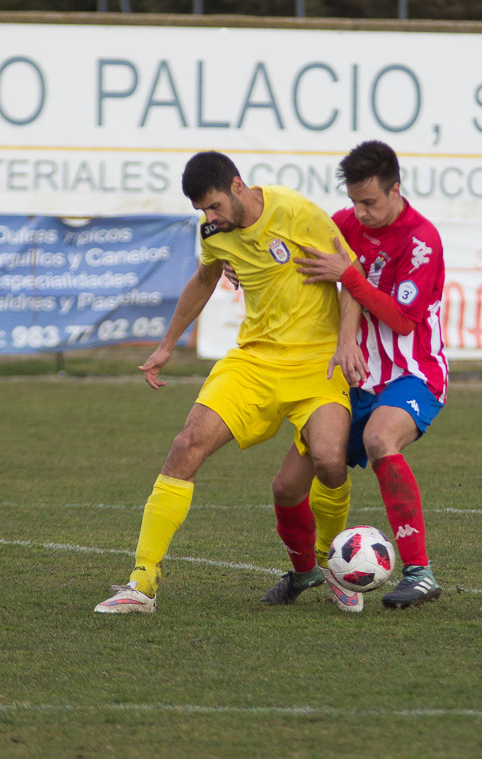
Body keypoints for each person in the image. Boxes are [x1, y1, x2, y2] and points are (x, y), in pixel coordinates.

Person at [95, 151, 362, 614]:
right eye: (202, 211)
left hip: (317, 365)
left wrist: (346, 342)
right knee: (185, 445)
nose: (209, 217)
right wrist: (166, 346)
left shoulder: (296, 213)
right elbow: (204, 279)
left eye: (214, 206)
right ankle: (142, 583)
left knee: (329, 460)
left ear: (238, 186)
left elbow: (350, 275)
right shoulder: (215, 233)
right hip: (254, 362)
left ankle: (330, 563)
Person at [294, 140, 449, 611]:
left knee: (383, 439)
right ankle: (306, 572)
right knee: (289, 481)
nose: (359, 213)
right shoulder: (344, 224)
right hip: (354, 379)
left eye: (370, 202)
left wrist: (351, 276)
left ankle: (419, 572)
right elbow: (294, 252)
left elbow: (403, 319)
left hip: (412, 373)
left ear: (395, 189)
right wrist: (238, 267)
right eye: (354, 201)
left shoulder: (422, 241)